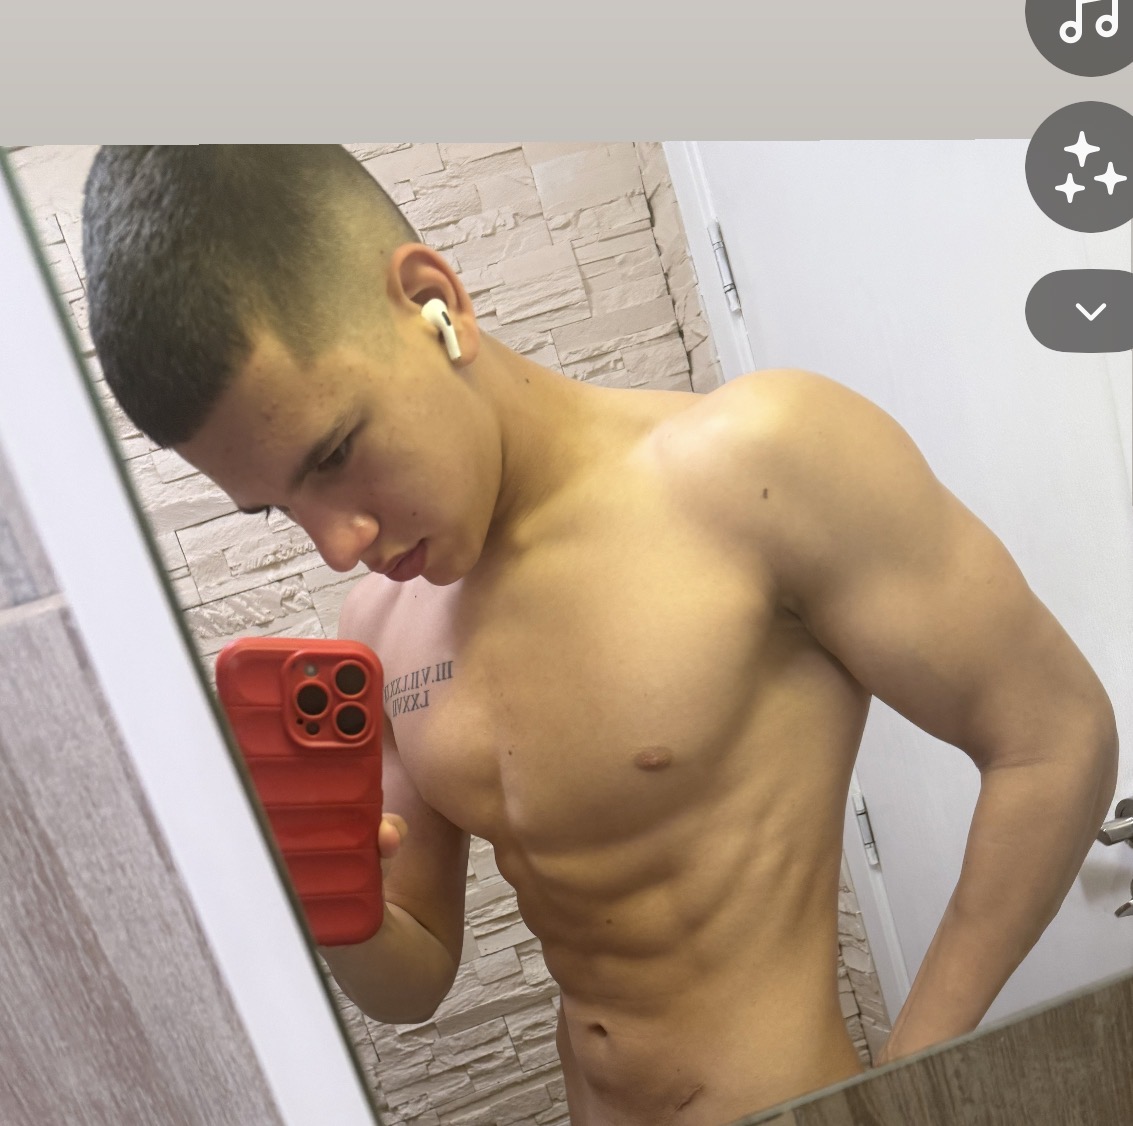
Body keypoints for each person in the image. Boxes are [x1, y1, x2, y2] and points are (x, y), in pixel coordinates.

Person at [82, 145, 1119, 1126]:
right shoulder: (378, 627)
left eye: (335, 453)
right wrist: (322, 892)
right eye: (277, 507)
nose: (336, 544)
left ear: (434, 302)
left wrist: (909, 1081)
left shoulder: (754, 465)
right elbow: (416, 978)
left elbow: (1053, 737)